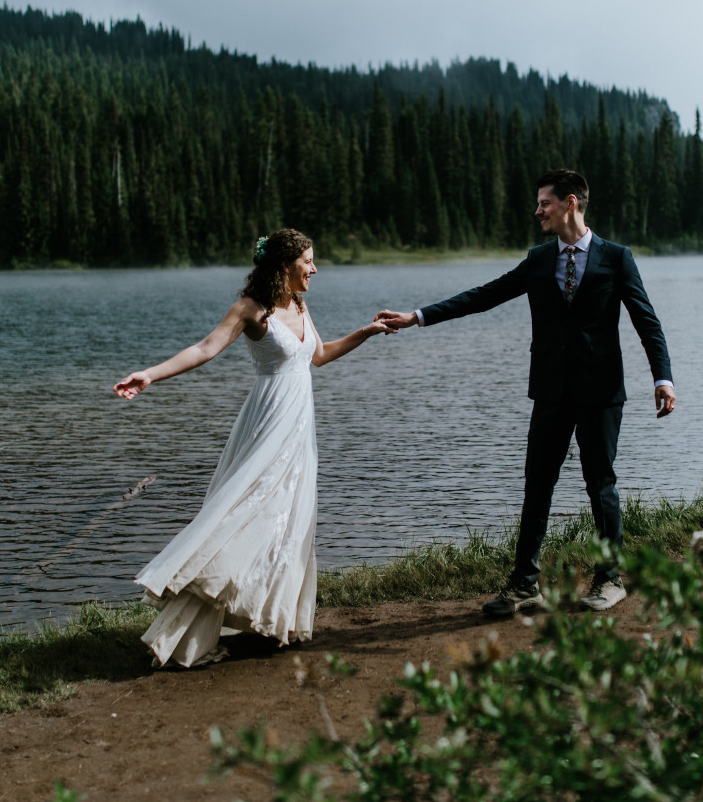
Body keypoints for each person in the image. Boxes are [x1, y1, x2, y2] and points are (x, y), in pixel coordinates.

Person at [377, 168, 674, 615]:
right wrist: (417, 316)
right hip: (551, 391)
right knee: (537, 487)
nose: (538, 211)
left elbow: (645, 320)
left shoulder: (616, 257)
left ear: (570, 202)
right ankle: (524, 585)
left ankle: (610, 578)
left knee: (601, 485)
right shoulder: (538, 259)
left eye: (545, 203)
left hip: (600, 391)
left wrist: (662, 377)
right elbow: (484, 295)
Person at [115, 228, 396, 667]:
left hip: (299, 432)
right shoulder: (252, 310)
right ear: (285, 265)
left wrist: (366, 331)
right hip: (266, 426)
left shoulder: (300, 305)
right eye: (309, 261)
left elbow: (317, 355)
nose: (315, 269)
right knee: (243, 515)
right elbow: (205, 348)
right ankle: (188, 630)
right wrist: (150, 375)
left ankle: (266, 618)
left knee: (284, 521)